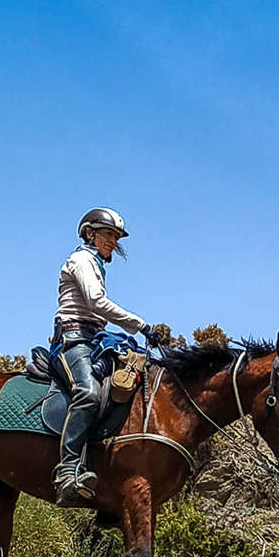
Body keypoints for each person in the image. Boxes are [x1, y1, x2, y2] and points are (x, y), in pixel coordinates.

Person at [52, 208, 161, 502]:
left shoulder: (98, 265)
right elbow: (96, 302)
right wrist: (141, 325)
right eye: (108, 235)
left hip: (95, 340)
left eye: (116, 237)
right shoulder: (81, 260)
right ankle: (67, 471)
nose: (113, 241)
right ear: (90, 234)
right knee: (88, 392)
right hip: (72, 341)